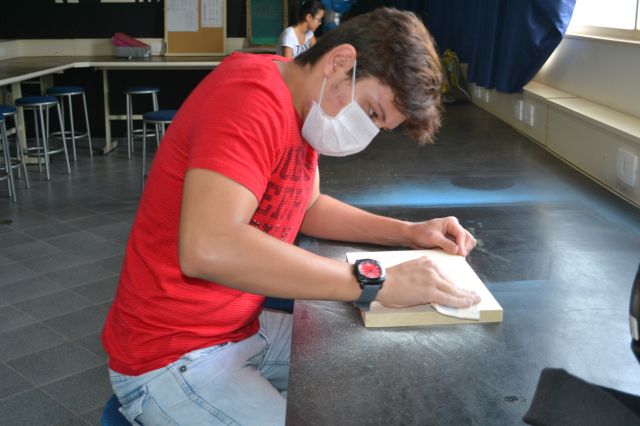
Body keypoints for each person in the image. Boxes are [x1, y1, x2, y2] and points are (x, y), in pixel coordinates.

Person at [102, 7, 481, 426]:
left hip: (241, 328)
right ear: (340, 62)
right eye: (372, 111)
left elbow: (308, 208)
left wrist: (409, 233)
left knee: (384, 365)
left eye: (379, 126)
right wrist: (376, 283)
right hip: (172, 355)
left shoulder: (304, 108)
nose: (367, 131)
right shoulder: (250, 99)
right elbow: (209, 247)